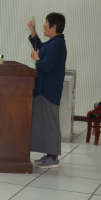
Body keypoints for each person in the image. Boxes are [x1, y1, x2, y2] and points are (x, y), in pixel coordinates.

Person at [28, 14, 68, 168]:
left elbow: (45, 66)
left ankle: (54, 158)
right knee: (45, 122)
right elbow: (41, 47)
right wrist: (33, 32)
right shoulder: (53, 42)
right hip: (44, 89)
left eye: (46, 23)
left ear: (54, 26)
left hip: (50, 90)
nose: (44, 25)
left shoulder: (57, 44)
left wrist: (36, 59)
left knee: (51, 123)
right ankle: (50, 154)